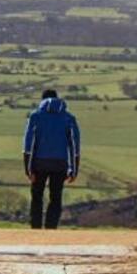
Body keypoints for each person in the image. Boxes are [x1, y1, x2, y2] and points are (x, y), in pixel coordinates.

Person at [22, 89, 81, 229]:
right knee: (56, 197)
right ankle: (51, 228)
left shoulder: (35, 117)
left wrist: (27, 168)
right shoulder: (68, 118)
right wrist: (74, 169)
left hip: (39, 163)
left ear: (42, 100)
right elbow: (74, 145)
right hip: (60, 164)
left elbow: (28, 144)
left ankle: (35, 228)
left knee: (37, 196)